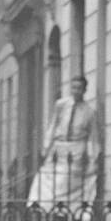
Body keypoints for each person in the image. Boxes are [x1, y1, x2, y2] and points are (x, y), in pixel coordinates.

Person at [28, 76, 100, 206]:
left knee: (63, 181)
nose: (76, 91)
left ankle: (61, 211)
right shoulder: (61, 105)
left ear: (84, 90)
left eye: (79, 88)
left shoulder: (89, 112)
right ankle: (42, 209)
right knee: (43, 178)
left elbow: (93, 138)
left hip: (76, 149)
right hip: (58, 148)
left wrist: (93, 160)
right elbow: (52, 126)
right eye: (73, 88)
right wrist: (46, 149)